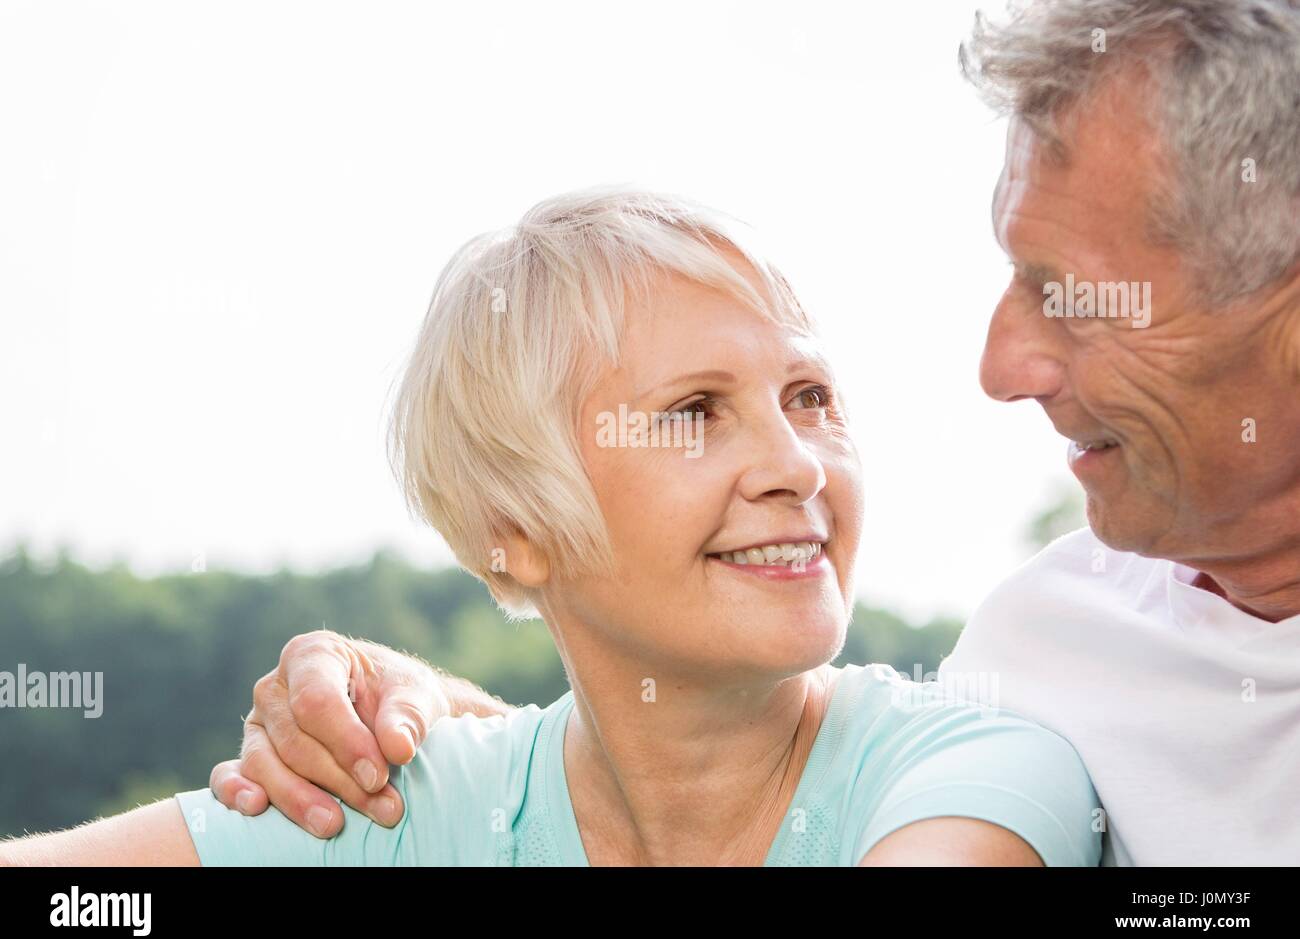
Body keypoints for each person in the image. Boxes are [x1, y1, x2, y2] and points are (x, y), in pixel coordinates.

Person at [209, 0, 1300, 866]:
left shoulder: (989, 748)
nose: (1000, 366)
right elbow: (677, 773)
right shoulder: (1045, 650)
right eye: (693, 411)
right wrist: (445, 748)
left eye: (1067, 293)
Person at [0, 188, 1100, 867]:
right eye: (692, 413)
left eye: (808, 395)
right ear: (514, 531)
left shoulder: (974, 767)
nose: (796, 462)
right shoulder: (403, 801)